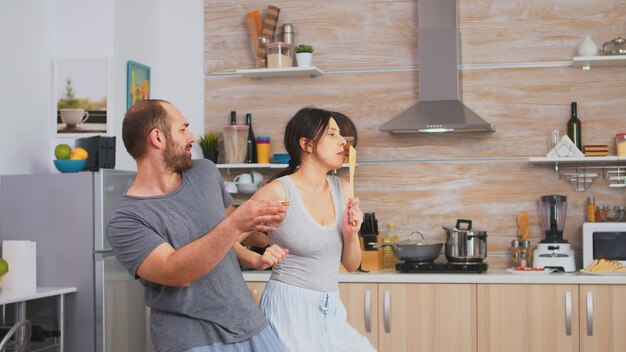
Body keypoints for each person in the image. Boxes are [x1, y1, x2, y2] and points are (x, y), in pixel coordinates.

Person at [106, 99, 289, 352]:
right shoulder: (126, 221)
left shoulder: (204, 172)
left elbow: (228, 240)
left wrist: (257, 241)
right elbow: (176, 273)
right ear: (157, 137)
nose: (191, 137)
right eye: (183, 129)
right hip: (194, 339)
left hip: (251, 325)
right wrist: (236, 223)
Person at [235, 107, 376, 352]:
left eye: (340, 135)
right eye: (332, 135)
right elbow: (224, 239)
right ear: (306, 144)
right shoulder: (279, 192)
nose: (343, 141)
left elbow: (352, 265)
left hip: (330, 309)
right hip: (287, 310)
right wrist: (256, 259)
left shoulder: (344, 189)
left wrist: (352, 234)